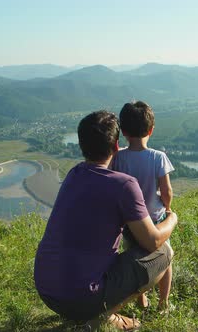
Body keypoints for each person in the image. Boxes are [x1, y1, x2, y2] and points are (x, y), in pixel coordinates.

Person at [34, 110, 177, 331]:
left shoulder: (73, 174)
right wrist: (172, 218)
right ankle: (101, 316)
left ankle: (96, 311)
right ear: (116, 146)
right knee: (164, 252)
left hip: (46, 290)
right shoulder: (124, 185)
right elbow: (152, 241)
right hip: (82, 298)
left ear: (82, 145)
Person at [111, 101, 175, 312]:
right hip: (155, 220)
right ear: (151, 129)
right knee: (166, 257)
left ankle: (142, 300)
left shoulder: (119, 158)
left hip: (130, 222)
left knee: (137, 260)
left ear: (124, 132)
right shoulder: (158, 157)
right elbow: (166, 191)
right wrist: (168, 208)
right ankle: (163, 303)